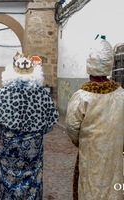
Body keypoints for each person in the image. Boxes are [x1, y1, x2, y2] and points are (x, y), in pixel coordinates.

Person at [0, 53, 58, 200]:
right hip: (33, 148)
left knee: (8, 180)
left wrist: (6, 131)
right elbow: (51, 121)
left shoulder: (1, 93)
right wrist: (36, 132)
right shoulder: (42, 95)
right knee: (33, 180)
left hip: (9, 148)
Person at [65, 36, 124, 200]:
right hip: (114, 155)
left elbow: (72, 128)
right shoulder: (121, 95)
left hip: (90, 154)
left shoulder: (82, 97)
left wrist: (83, 141)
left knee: (90, 188)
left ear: (89, 66)